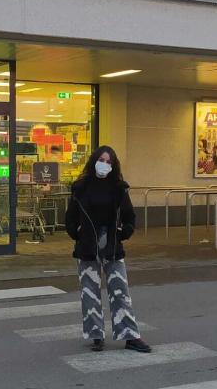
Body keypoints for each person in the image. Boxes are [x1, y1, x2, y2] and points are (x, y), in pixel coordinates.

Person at [65, 146, 152, 354]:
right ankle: (96, 334)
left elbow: (129, 216)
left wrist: (124, 233)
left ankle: (130, 336)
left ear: (113, 166)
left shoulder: (118, 188)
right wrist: (77, 234)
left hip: (112, 246)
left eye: (109, 162)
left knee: (120, 292)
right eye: (101, 160)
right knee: (89, 293)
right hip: (88, 246)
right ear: (94, 161)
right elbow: (71, 216)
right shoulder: (81, 187)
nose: (104, 164)